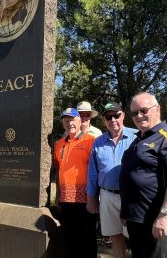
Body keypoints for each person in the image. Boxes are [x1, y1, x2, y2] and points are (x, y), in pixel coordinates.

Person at [119, 92, 167, 257]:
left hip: (155, 220)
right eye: (134, 113)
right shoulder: (138, 139)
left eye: (143, 110)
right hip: (135, 219)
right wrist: (126, 212)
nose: (139, 116)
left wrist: (165, 215)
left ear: (157, 109)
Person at [86, 102, 137, 258]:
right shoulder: (98, 142)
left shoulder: (137, 136)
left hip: (131, 197)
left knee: (135, 237)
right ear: (104, 120)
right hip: (107, 195)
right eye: (108, 117)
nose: (113, 119)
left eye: (116, 115)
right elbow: (93, 173)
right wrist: (91, 198)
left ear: (123, 116)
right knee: (115, 237)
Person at [53, 108, 97, 258]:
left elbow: (96, 170)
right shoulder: (59, 144)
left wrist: (94, 197)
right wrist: (58, 195)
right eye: (66, 120)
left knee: (87, 239)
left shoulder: (90, 140)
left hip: (85, 199)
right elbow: (58, 170)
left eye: (72, 119)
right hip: (65, 200)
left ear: (79, 121)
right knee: (70, 238)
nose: (69, 123)